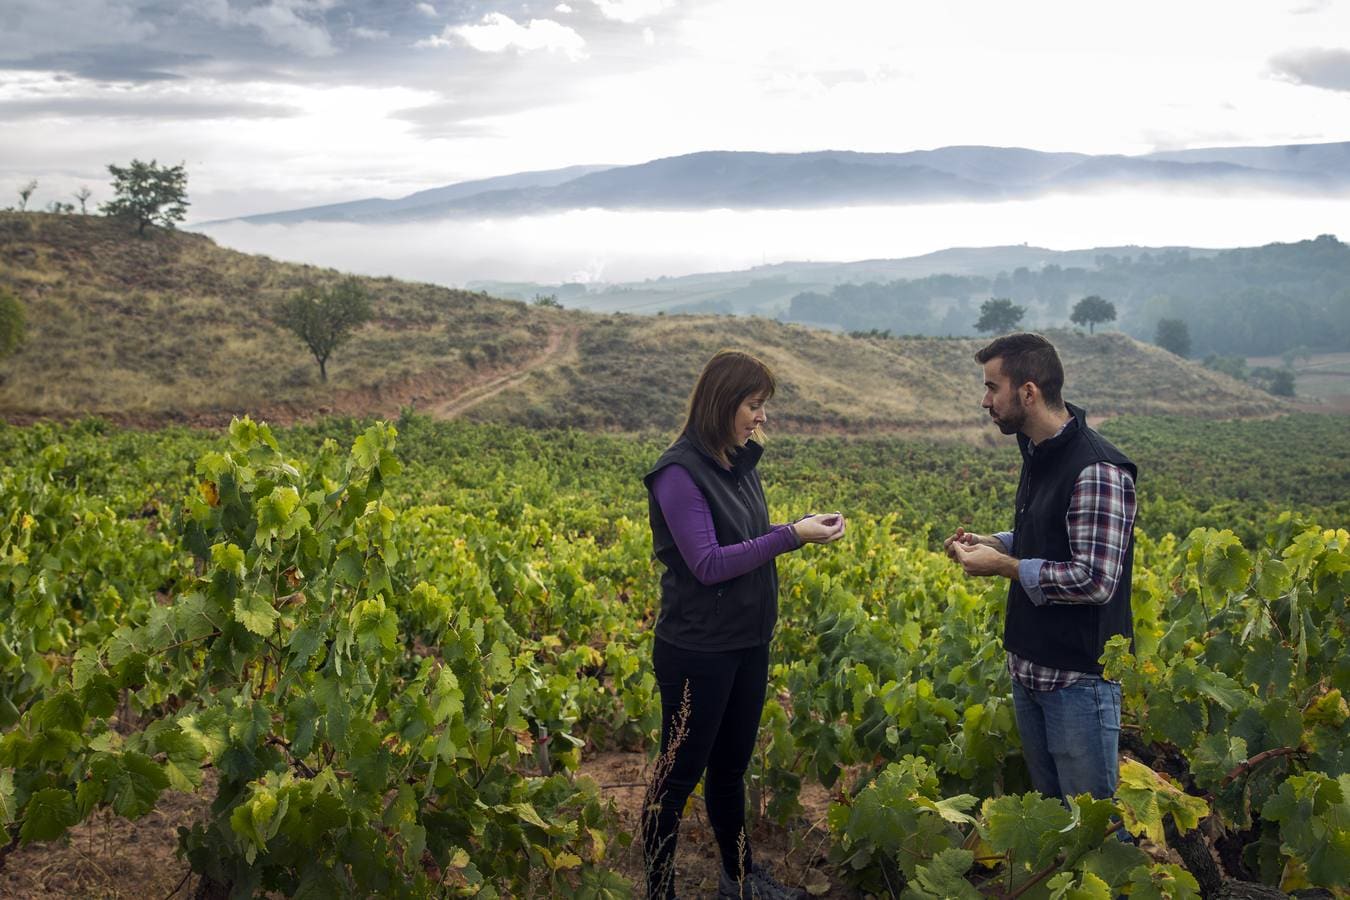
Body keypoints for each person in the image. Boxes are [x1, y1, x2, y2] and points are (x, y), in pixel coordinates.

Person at [641, 349, 846, 900]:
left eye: (763, 407)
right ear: (722, 402)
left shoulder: (738, 464)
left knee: (730, 771)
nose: (761, 418)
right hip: (698, 649)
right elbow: (708, 564)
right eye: (753, 405)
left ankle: (739, 880)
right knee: (676, 780)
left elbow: (746, 542)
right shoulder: (679, 472)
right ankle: (659, 891)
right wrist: (792, 535)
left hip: (747, 643)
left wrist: (796, 528)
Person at [945, 332, 1136, 804]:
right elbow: (1045, 539)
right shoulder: (1038, 452)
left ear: (1028, 392)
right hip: (1030, 671)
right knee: (1054, 823)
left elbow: (1094, 580)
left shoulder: (1097, 469)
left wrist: (1003, 566)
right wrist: (992, 543)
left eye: (993, 387)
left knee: (1091, 830)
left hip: (1077, 680)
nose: (984, 400)